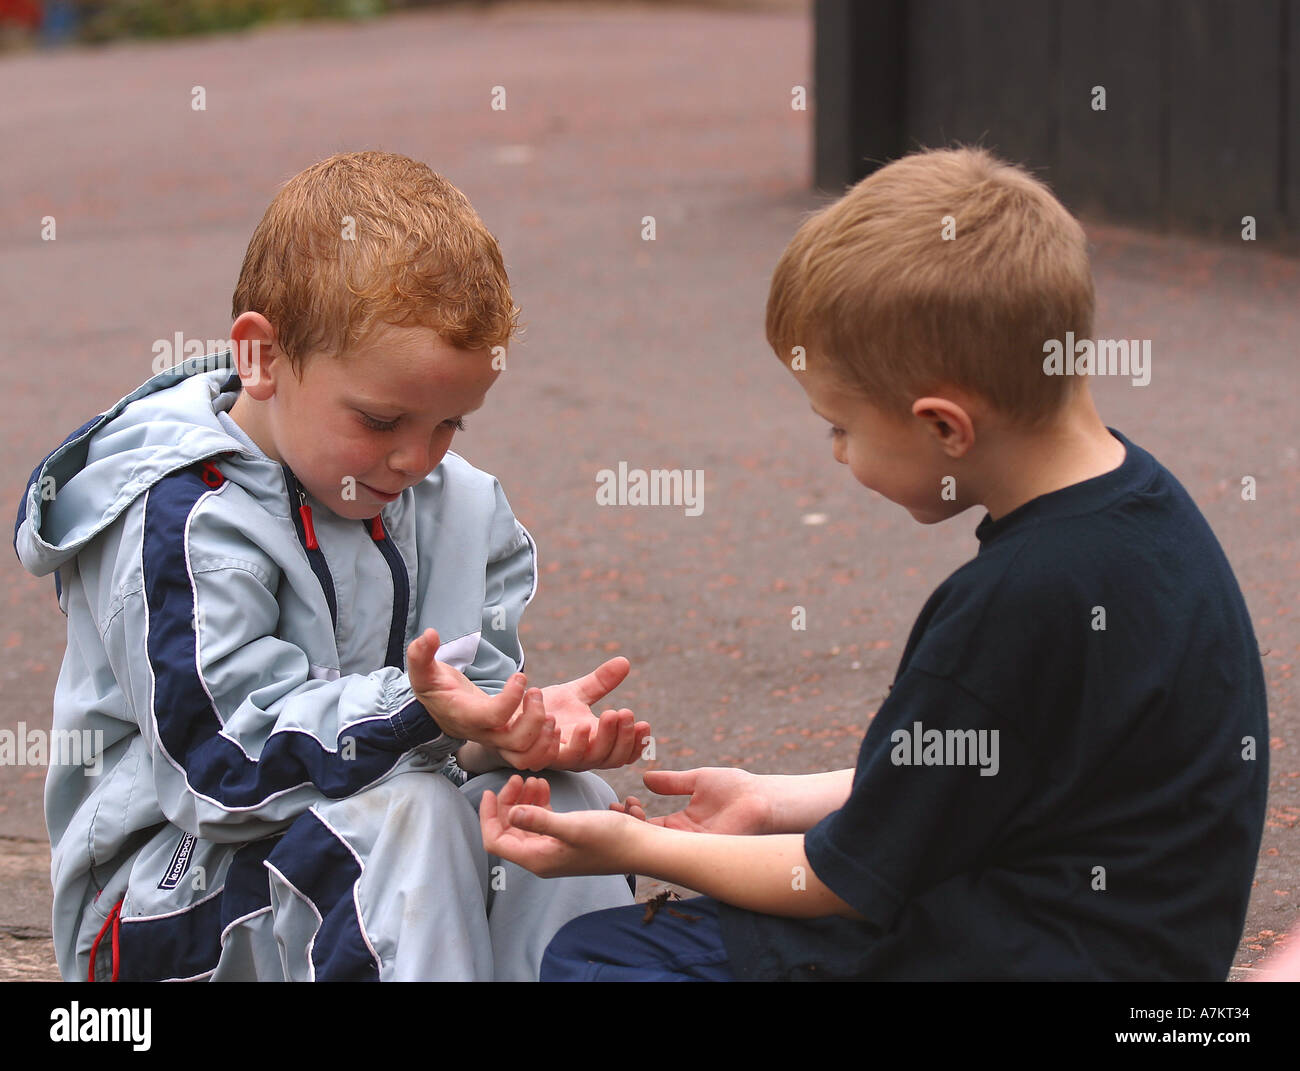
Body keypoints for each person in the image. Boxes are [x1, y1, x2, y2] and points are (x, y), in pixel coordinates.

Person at [479, 146, 1270, 981]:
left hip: (1021, 953)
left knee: (603, 959)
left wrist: (631, 846)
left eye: (840, 426)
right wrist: (773, 801)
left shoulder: (1010, 602)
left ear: (944, 427)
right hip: (1136, 952)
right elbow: (978, 767)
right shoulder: (1147, 510)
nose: (837, 453)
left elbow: (840, 882)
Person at [14, 150, 648, 981]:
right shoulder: (183, 510)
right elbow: (219, 771)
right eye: (382, 419)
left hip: (365, 871)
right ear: (264, 358)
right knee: (405, 814)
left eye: (451, 422)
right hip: (159, 909)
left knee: (553, 806)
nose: (416, 457)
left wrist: (510, 739)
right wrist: (420, 716)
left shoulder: (460, 503)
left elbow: (456, 737)